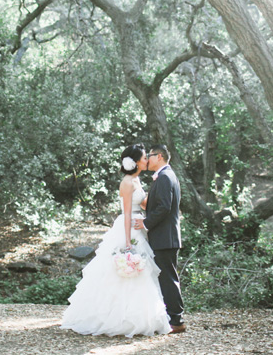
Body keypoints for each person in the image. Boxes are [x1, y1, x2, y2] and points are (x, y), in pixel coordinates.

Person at [60, 144, 172, 337]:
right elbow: (127, 212)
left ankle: (141, 317)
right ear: (136, 162)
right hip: (128, 229)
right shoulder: (127, 182)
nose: (147, 160)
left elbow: (144, 204)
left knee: (142, 273)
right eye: (145, 158)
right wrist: (128, 242)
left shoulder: (137, 180)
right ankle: (117, 320)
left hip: (140, 227)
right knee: (123, 272)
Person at [134, 144, 186, 333]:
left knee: (168, 278)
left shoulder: (165, 177)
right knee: (166, 277)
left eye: (151, 155)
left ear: (160, 157)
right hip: (164, 237)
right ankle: (172, 317)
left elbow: (164, 207)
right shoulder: (164, 176)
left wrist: (146, 223)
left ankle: (177, 321)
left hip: (165, 237)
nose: (148, 158)